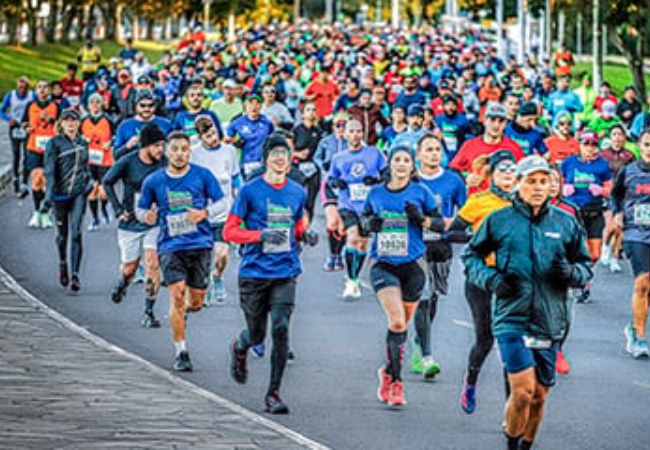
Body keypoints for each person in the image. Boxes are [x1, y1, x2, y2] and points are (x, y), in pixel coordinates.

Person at [462, 155, 592, 450]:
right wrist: (492, 279)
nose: (537, 187)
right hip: (511, 316)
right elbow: (471, 257)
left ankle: (524, 446)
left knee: (539, 396)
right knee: (523, 391)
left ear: (551, 186)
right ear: (518, 184)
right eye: (530, 181)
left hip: (550, 319)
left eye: (543, 181)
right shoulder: (500, 220)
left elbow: (585, 265)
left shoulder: (566, 222)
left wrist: (572, 273)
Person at [224, 134, 318, 414]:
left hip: (285, 269)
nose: (280, 158)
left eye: (285, 153)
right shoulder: (250, 191)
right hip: (254, 272)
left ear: (290, 161)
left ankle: (273, 393)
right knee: (256, 335)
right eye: (275, 153)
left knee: (280, 328)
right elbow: (230, 231)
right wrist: (258, 235)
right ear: (266, 158)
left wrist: (306, 234)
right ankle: (240, 347)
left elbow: (296, 226)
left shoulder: (297, 192)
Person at [361, 144, 445, 407]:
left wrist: (421, 219)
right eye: (396, 159)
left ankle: (387, 372)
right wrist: (369, 225)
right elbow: (364, 220)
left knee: (402, 326)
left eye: (405, 160)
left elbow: (440, 224)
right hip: (383, 263)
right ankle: (396, 384)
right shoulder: (375, 193)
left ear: (412, 165)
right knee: (397, 322)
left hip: (414, 266)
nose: (400, 164)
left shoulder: (421, 192)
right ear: (390, 164)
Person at [137, 131, 224, 371]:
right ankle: (181, 352)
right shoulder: (154, 181)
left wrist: (204, 213)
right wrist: (147, 216)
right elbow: (141, 209)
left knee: (195, 303)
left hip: (200, 244)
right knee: (176, 295)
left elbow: (222, 202)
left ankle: (181, 312)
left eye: (183, 149)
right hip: (170, 245)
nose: (179, 154)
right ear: (166, 151)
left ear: (189, 152)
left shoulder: (203, 176)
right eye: (174, 149)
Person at [448, 150, 518, 414]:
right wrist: (479, 240)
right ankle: (471, 382)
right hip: (480, 277)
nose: (508, 175)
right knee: (485, 339)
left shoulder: (522, 203)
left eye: (512, 170)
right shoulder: (479, 201)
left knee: (510, 341)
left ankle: (511, 407)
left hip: (511, 279)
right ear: (492, 174)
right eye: (502, 170)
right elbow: (453, 230)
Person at [411, 134, 467, 379]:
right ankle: (426, 355)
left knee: (433, 298)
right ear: (419, 154)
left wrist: (454, 228)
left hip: (441, 248)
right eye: (428, 149)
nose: (434, 154)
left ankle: (418, 340)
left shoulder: (453, 181)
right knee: (423, 297)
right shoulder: (411, 181)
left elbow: (464, 215)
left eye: (437, 149)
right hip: (415, 247)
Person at [103, 124, 167, 327]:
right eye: (157, 146)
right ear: (146, 145)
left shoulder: (164, 164)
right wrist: (118, 209)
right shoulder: (128, 162)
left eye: (162, 146)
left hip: (154, 224)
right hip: (130, 224)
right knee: (129, 268)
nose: (161, 150)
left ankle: (148, 312)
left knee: (152, 264)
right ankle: (123, 282)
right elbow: (107, 181)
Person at [326, 119, 388, 299]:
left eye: (359, 131)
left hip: (368, 206)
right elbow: (330, 180)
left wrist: (376, 181)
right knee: (352, 237)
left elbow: (386, 173)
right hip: (348, 204)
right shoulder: (339, 157)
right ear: (345, 134)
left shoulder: (374, 153)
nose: (355, 135)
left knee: (362, 243)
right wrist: (336, 182)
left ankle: (354, 277)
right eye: (351, 131)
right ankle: (351, 281)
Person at [191, 116, 241, 305]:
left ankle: (217, 277)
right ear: (200, 137)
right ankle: (201, 290)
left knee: (222, 254)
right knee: (202, 257)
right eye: (208, 135)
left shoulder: (229, 151)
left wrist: (240, 203)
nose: (213, 138)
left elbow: (236, 179)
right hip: (202, 213)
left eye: (215, 133)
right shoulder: (194, 154)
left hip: (224, 212)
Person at [42, 109, 92, 292]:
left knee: (77, 232)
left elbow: (86, 167)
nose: (71, 124)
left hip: (78, 193)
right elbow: (49, 171)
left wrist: (89, 182)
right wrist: (48, 196)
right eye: (67, 120)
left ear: (79, 123)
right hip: (59, 195)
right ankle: (63, 263)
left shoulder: (83, 143)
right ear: (61, 124)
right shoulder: (54, 143)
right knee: (62, 235)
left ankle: (76, 275)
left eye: (74, 120)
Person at [611, 130, 650, 359]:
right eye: (646, 144)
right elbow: (615, 196)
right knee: (642, 282)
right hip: (636, 234)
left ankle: (634, 324)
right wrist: (616, 214)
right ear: (639, 146)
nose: (649, 149)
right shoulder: (628, 171)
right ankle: (639, 335)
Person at [561, 130, 613, 303]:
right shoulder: (568, 163)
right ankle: (581, 282)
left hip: (595, 211)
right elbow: (556, 182)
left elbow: (610, 188)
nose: (589, 148)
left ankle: (581, 274)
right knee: (576, 249)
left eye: (593, 144)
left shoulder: (602, 165)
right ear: (580, 145)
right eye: (586, 144)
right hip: (574, 212)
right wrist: (564, 189)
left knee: (595, 253)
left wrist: (601, 191)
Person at [22, 79, 60, 228]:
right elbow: (24, 122)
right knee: (36, 179)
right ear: (36, 91)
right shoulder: (30, 106)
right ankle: (36, 211)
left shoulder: (55, 106)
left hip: (50, 148)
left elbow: (61, 125)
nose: (43, 90)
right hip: (34, 147)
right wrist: (27, 128)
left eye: (45, 87)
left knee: (47, 181)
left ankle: (46, 212)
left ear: (49, 91)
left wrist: (50, 119)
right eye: (40, 87)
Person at [599, 124, 636, 272]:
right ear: (610, 137)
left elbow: (634, 173)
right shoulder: (603, 155)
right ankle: (605, 247)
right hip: (608, 193)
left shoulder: (629, 156)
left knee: (620, 227)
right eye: (614, 134)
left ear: (624, 137)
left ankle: (614, 258)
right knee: (610, 227)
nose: (617, 138)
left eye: (620, 134)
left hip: (624, 194)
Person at [81, 93, 114, 231]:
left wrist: (110, 143)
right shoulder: (83, 120)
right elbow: (75, 136)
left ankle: (104, 209)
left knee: (103, 192)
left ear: (102, 105)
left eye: (97, 102)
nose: (95, 105)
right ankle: (95, 219)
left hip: (105, 160)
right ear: (88, 105)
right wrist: (83, 139)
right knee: (92, 190)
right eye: (92, 102)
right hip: (89, 160)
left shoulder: (107, 119)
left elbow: (117, 135)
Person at [226, 92, 275, 180]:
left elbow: (271, 137)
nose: (254, 106)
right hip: (245, 162)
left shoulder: (266, 122)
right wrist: (235, 142)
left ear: (261, 106)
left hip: (263, 162)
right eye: (251, 103)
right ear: (245, 105)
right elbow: (227, 139)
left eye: (257, 103)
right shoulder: (237, 122)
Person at [113, 89, 172, 160]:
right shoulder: (124, 125)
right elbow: (115, 155)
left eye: (150, 105)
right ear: (135, 106)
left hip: (159, 167)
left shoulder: (165, 124)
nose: (147, 109)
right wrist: (127, 146)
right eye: (142, 105)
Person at [0, 75, 33, 197]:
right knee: (16, 154)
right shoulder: (11, 95)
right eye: (20, 87)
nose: (22, 90)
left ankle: (24, 181)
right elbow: (2, 110)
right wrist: (8, 119)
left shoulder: (32, 96)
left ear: (28, 87)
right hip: (14, 127)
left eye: (24, 88)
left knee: (27, 155)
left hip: (26, 127)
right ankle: (15, 179)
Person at [293, 101, 325, 221]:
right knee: (298, 199)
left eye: (313, 110)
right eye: (308, 110)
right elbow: (287, 150)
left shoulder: (319, 132)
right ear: (302, 115)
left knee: (310, 201)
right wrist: (297, 154)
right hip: (298, 167)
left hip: (314, 169)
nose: (311, 113)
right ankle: (296, 226)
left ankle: (307, 228)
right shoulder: (296, 131)